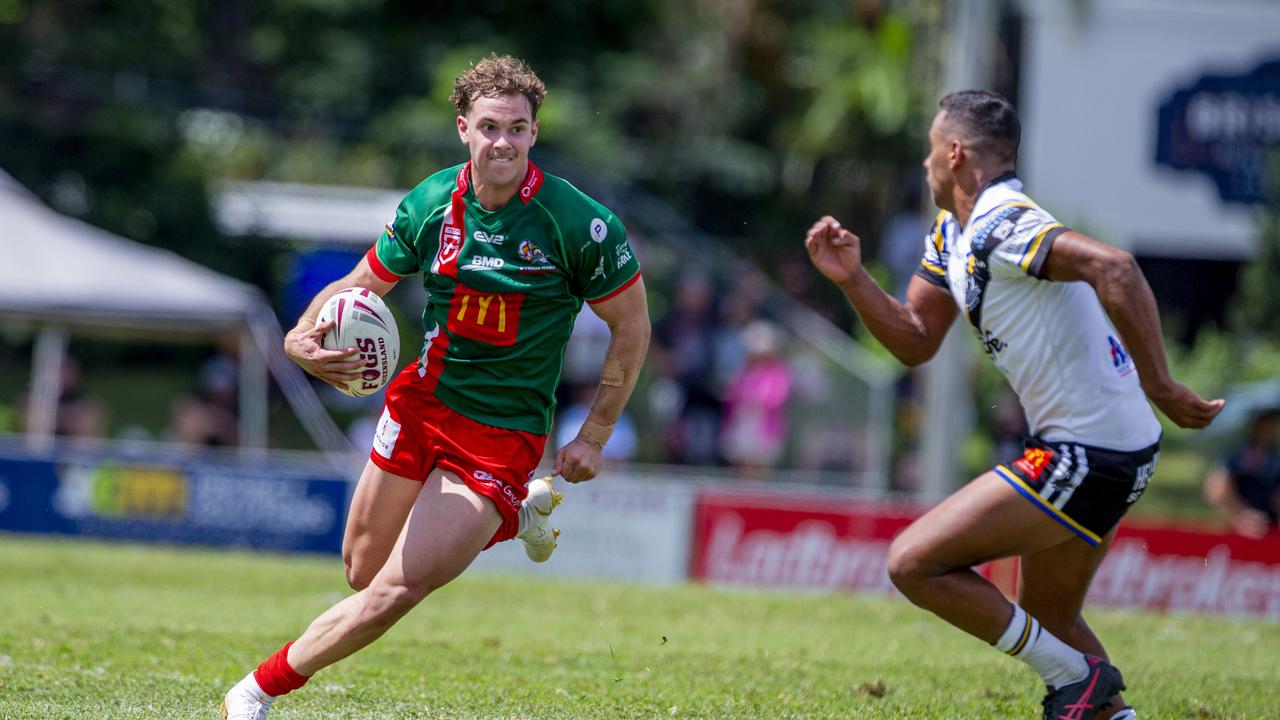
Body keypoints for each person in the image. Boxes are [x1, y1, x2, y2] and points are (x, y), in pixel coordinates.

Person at [220, 54, 650, 719]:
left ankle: (255, 692)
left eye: (516, 127)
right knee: (363, 573)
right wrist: (300, 333)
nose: (501, 141)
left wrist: (593, 435)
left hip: (502, 435)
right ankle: (517, 515)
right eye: (488, 127)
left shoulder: (579, 225)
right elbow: (363, 284)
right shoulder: (430, 203)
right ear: (463, 130)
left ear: (535, 133)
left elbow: (632, 328)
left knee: (397, 589)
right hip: (421, 404)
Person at [804, 90, 1223, 720]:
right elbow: (916, 339)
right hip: (1108, 446)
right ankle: (1092, 693)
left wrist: (1162, 385)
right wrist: (853, 279)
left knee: (914, 562)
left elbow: (1117, 268)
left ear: (954, 153)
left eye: (928, 150)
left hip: (1091, 449)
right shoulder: (955, 233)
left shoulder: (1004, 223)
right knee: (1049, 620)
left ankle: (1075, 682)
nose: (923, 165)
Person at [1203, 408, 1280, 539]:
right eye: (1264, 423)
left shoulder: (1275, 457)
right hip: (1238, 525)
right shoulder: (1236, 455)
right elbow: (1215, 490)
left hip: (1271, 527)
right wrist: (1240, 514)